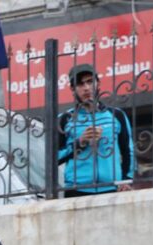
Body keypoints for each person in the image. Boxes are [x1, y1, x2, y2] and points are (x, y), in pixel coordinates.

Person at [57, 64, 135, 197]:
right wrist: (80, 142)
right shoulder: (64, 119)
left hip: (112, 188)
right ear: (72, 89)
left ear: (98, 84)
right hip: (76, 189)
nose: (86, 88)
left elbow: (128, 151)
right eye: (80, 84)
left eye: (90, 81)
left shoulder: (117, 115)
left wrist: (126, 180)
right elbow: (55, 157)